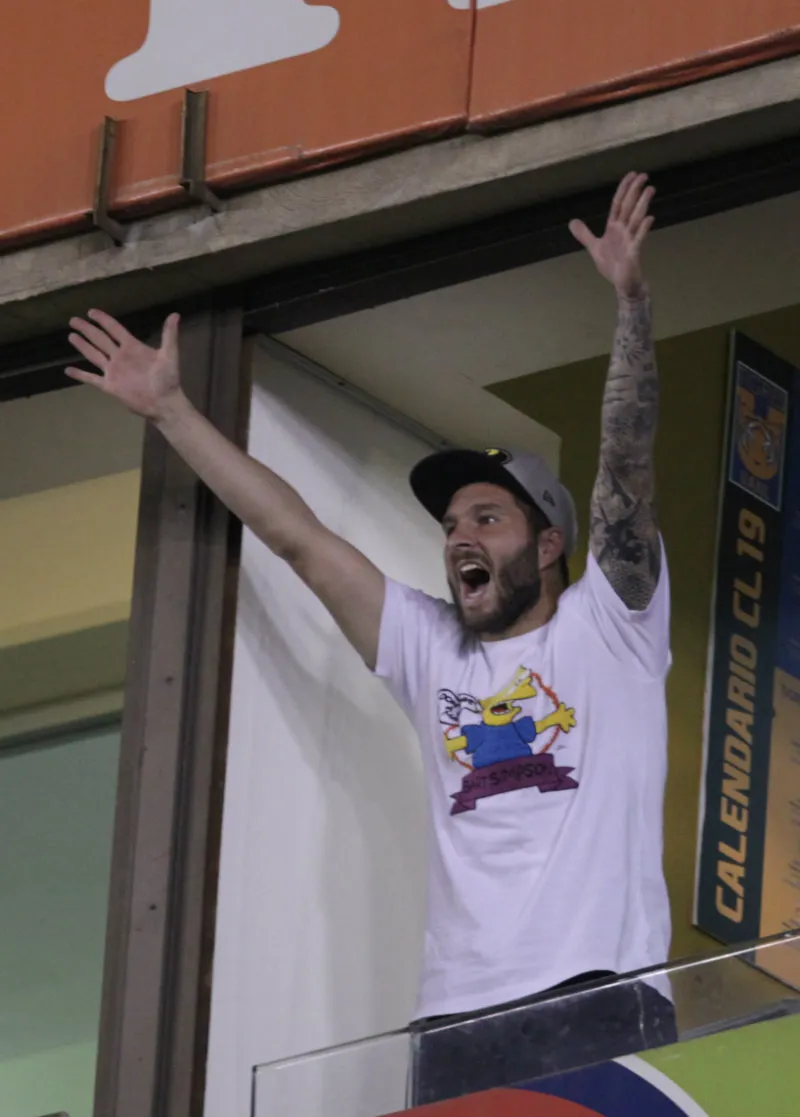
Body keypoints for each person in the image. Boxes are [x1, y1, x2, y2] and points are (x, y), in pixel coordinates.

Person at [66, 173, 674, 1081]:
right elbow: (296, 538)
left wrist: (630, 304)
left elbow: (626, 463)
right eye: (451, 524)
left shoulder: (609, 625)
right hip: (451, 1021)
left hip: (599, 991)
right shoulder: (430, 648)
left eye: (488, 518)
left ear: (550, 544)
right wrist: (172, 411)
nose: (460, 536)